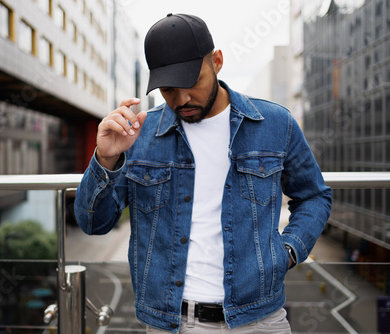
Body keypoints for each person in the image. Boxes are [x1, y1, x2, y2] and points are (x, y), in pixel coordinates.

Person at [74, 13, 332, 333]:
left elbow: (314, 195)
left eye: (191, 82)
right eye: (168, 89)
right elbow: (93, 224)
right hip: (171, 322)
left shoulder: (275, 123)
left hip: (260, 319)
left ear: (217, 61)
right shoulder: (139, 135)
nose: (181, 99)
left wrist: (289, 250)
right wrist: (106, 158)